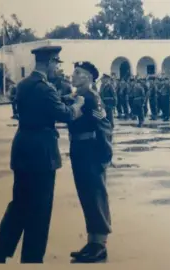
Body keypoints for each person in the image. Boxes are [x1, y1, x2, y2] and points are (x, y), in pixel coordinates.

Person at [0, 46, 85, 264]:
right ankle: (32, 259)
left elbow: (41, 104)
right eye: (56, 64)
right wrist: (78, 104)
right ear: (49, 62)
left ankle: (1, 251)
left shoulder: (24, 85)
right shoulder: (45, 88)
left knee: (20, 203)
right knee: (40, 209)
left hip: (22, 147)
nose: (57, 69)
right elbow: (66, 115)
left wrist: (62, 98)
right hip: (42, 153)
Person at [68, 61, 113, 263]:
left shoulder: (91, 98)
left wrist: (105, 155)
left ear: (88, 77)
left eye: (78, 73)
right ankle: (92, 241)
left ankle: (100, 244)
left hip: (91, 151)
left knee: (95, 195)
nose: (73, 76)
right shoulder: (79, 97)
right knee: (86, 195)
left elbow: (104, 126)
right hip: (79, 149)